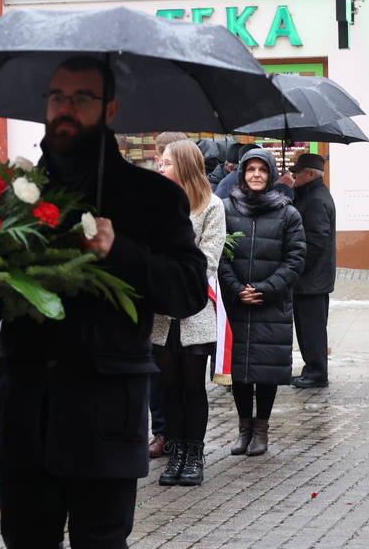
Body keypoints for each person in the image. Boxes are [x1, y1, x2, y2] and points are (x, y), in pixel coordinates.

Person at [0, 56, 208, 548]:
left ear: (110, 110)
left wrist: (119, 250)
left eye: (81, 99)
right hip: (23, 416)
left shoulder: (151, 197)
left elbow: (189, 290)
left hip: (103, 418)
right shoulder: (9, 197)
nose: (66, 108)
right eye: (57, 97)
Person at [218, 148, 305, 457]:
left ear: (270, 175)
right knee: (240, 370)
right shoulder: (226, 209)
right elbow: (218, 255)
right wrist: (236, 288)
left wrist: (265, 289)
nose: (256, 174)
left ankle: (261, 430)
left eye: (262, 170)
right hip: (237, 303)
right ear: (242, 173)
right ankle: (244, 429)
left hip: (272, 304)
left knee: (266, 370)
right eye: (251, 169)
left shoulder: (287, 212)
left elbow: (295, 260)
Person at [152, 140, 226, 487]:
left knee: (192, 385)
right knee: (169, 385)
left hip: (195, 309)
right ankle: (177, 451)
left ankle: (194, 454)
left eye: (166, 163)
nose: (160, 168)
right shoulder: (156, 203)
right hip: (162, 313)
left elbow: (208, 259)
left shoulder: (212, 206)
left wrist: (169, 267)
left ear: (183, 166)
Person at [147, 130, 187, 459]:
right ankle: (162, 432)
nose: (160, 164)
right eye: (161, 159)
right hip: (156, 305)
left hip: (186, 305)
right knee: (158, 375)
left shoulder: (203, 201)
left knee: (180, 379)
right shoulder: (152, 196)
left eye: (167, 160)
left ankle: (182, 438)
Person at [285, 153, 336, 389]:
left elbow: (315, 243)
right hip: (309, 279)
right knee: (306, 328)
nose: (294, 176)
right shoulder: (309, 195)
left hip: (311, 280)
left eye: (298, 173)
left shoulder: (316, 199)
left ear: (311, 174)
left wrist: (296, 268)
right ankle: (311, 370)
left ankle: (317, 373)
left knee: (312, 329)